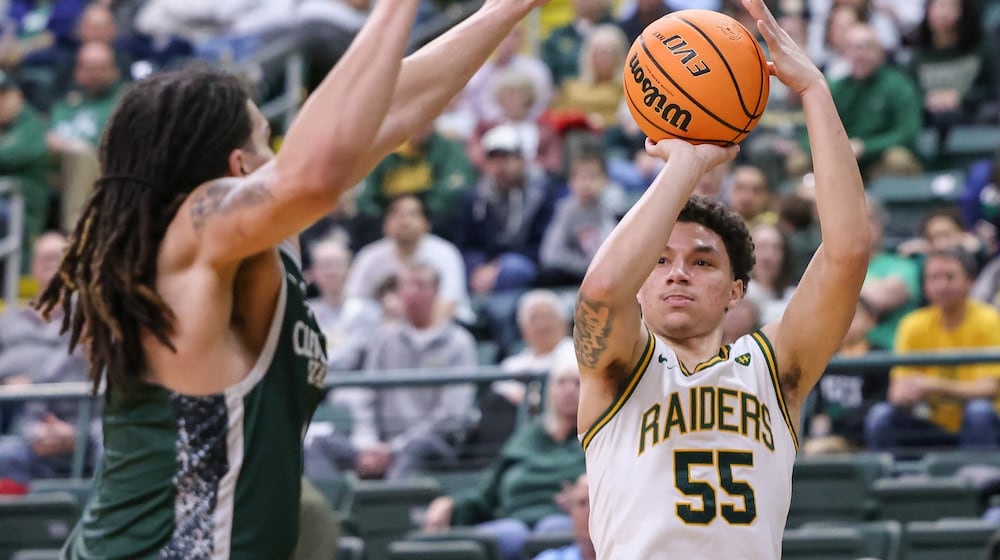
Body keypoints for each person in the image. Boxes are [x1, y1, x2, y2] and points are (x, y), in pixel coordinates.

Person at [33, 0, 552, 556]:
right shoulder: (193, 237)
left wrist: (505, 9)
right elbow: (316, 172)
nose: (279, 152)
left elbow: (398, 107)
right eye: (265, 139)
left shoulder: (253, 242)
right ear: (237, 168)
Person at [572, 0, 869, 557]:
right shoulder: (617, 368)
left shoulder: (772, 369)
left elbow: (847, 255)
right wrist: (686, 164)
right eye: (659, 260)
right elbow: (601, 291)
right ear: (642, 280)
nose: (678, 272)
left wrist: (814, 92)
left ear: (736, 290)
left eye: (703, 261)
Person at [422, 348, 586, 560]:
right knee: (495, 536)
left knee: (550, 528)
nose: (569, 390)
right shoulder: (528, 436)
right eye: (561, 382)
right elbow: (486, 495)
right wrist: (449, 505)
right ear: (550, 389)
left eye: (578, 383)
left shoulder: (596, 439)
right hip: (514, 521)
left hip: (564, 522)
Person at [865, 248, 1000, 451]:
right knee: (881, 416)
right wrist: (908, 393)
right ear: (925, 285)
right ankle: (897, 480)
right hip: (927, 420)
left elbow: (990, 388)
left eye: (950, 277)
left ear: (970, 281)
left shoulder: (989, 320)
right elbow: (897, 392)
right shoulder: (912, 324)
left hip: (978, 425)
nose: (941, 285)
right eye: (934, 278)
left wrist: (933, 385)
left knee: (979, 412)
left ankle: (979, 478)